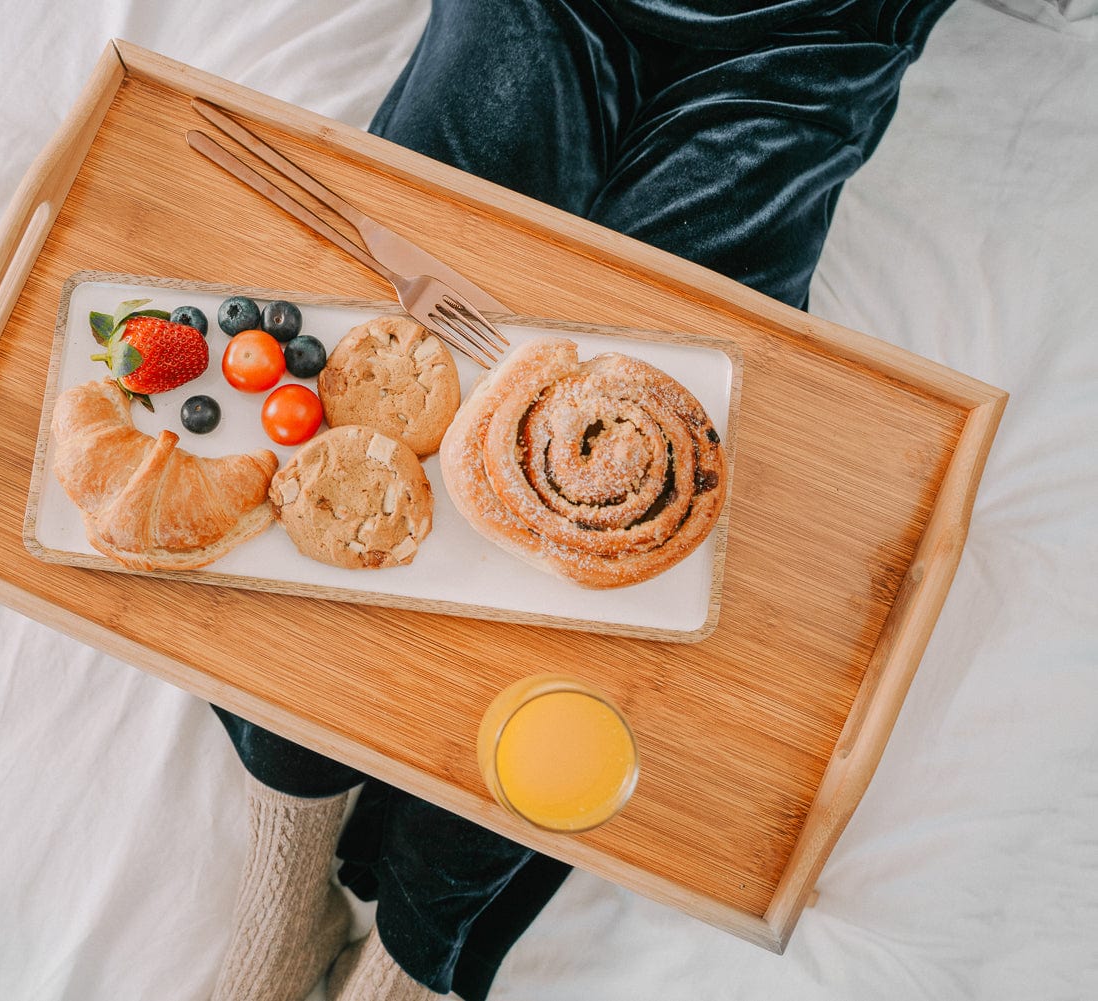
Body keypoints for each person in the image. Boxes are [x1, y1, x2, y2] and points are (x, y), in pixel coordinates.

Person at [207, 0, 955, 997]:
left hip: (816, 29)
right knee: (371, 379)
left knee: (642, 525)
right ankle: (285, 874)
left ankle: (410, 955)